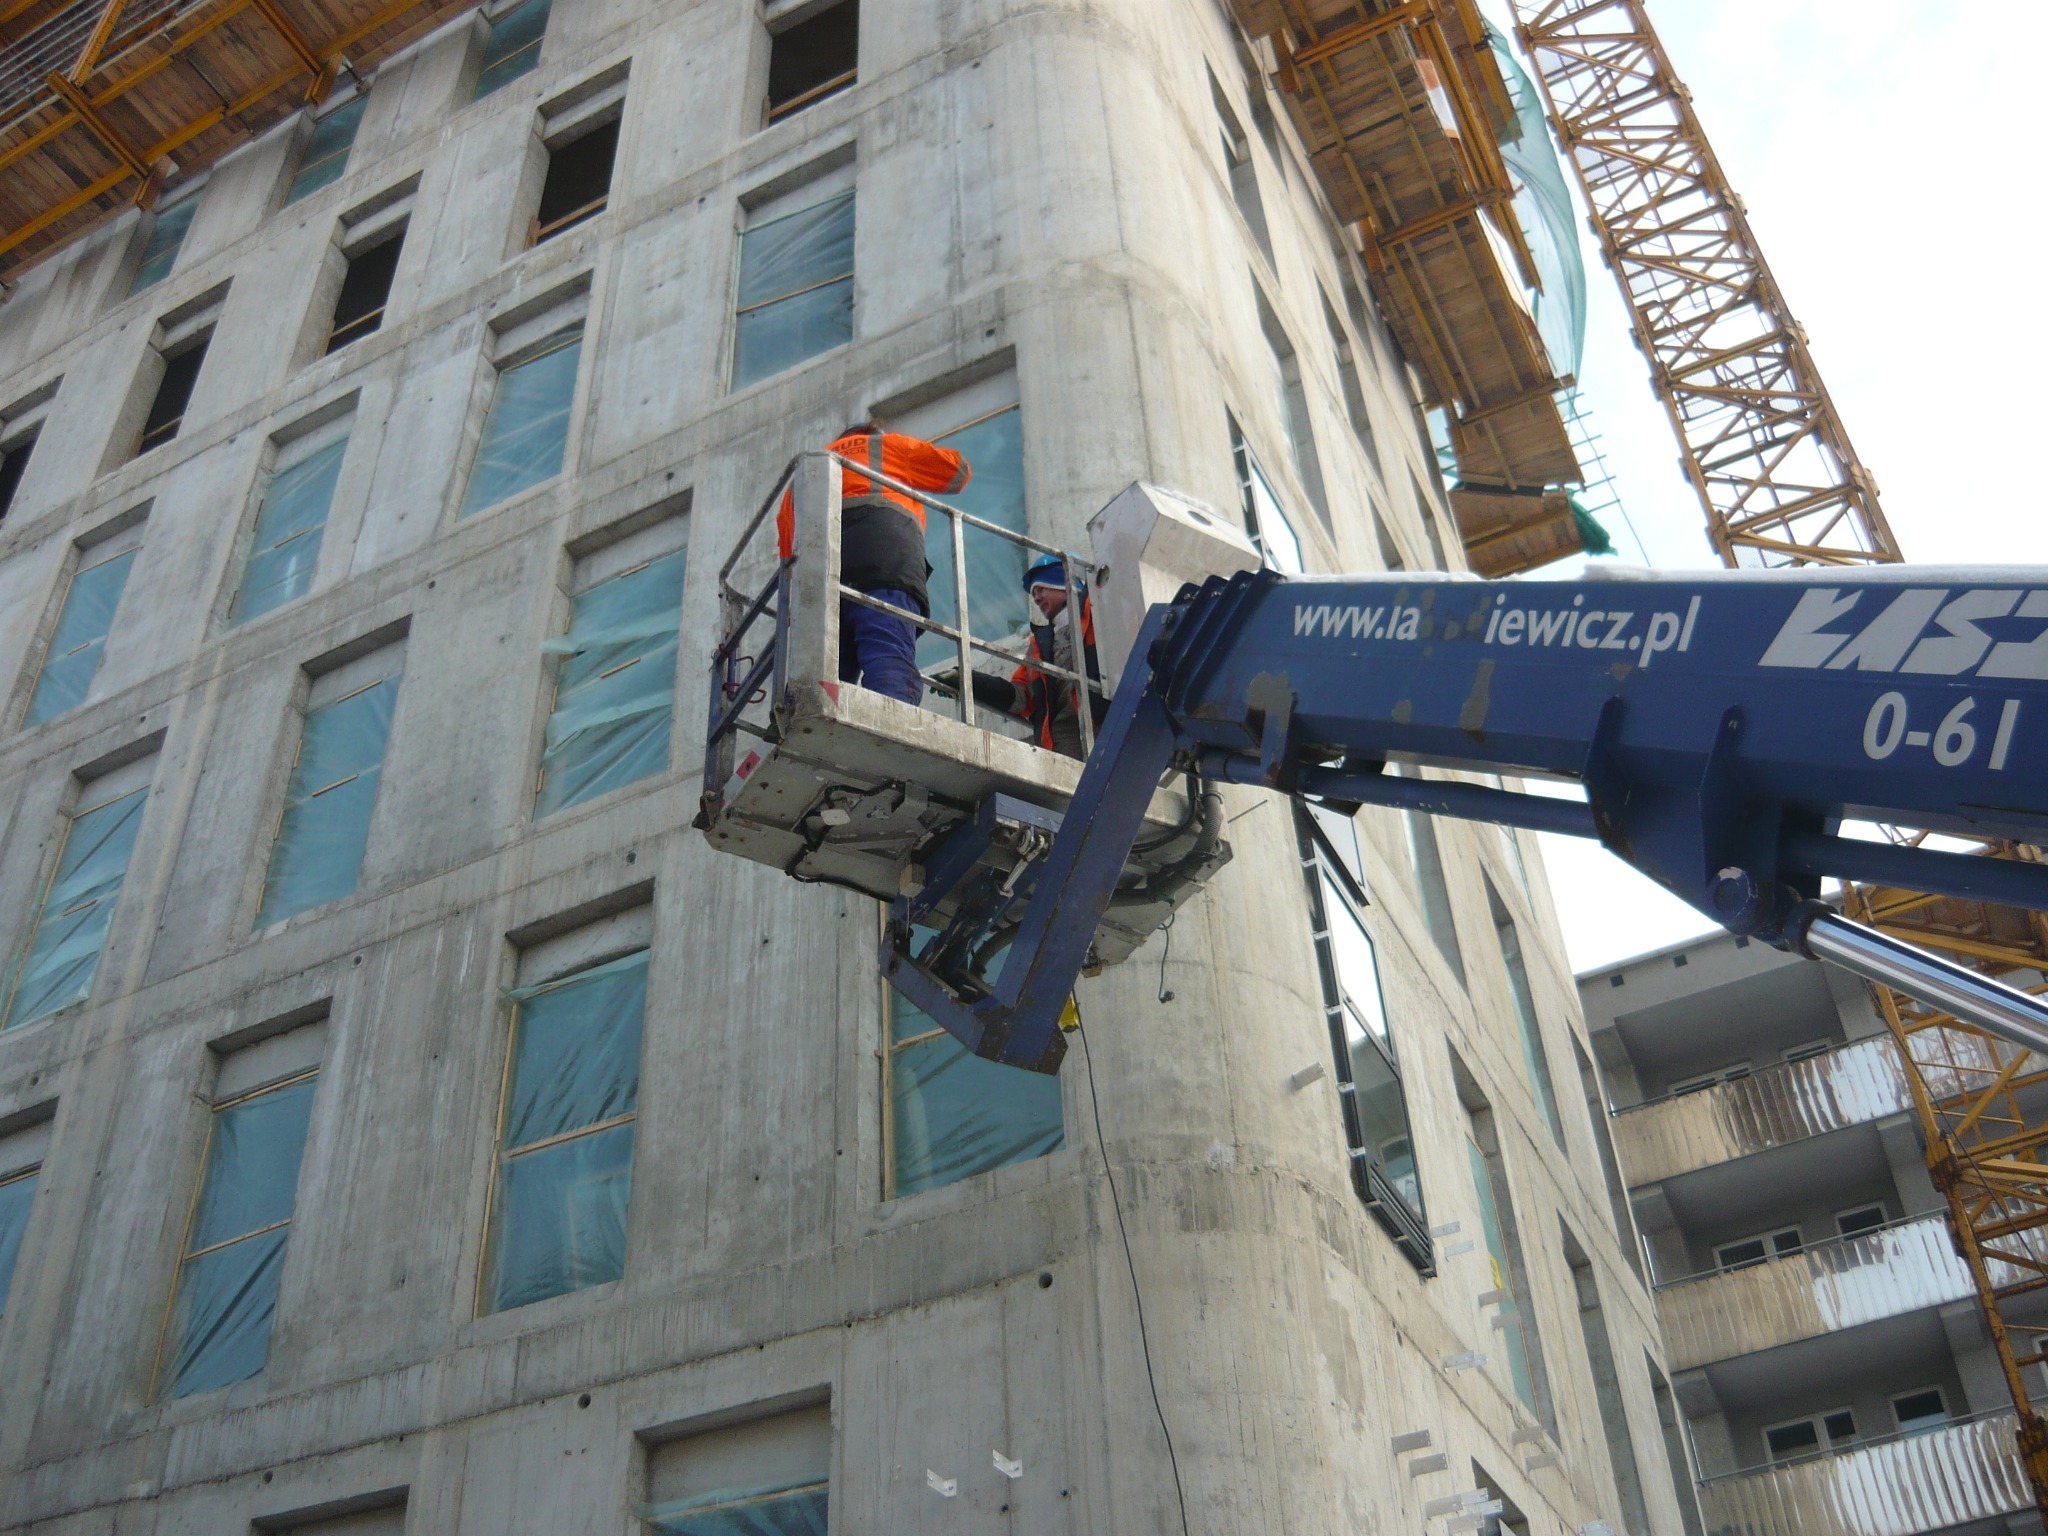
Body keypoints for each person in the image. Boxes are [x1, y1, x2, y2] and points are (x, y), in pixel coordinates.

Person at [778, 423, 970, 706]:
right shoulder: (885, 446)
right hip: (884, 559)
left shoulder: (802, 476)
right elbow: (957, 472)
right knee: (886, 647)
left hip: (819, 577)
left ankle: (820, 733)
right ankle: (895, 723)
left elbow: (787, 557)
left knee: (826, 674)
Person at [971, 554, 1106, 757]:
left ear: (1062, 582)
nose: (1036, 598)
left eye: (1041, 588)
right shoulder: (1039, 645)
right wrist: (968, 680)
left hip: (1104, 727)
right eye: (1034, 593)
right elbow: (1021, 696)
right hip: (1062, 744)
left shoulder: (1099, 611)